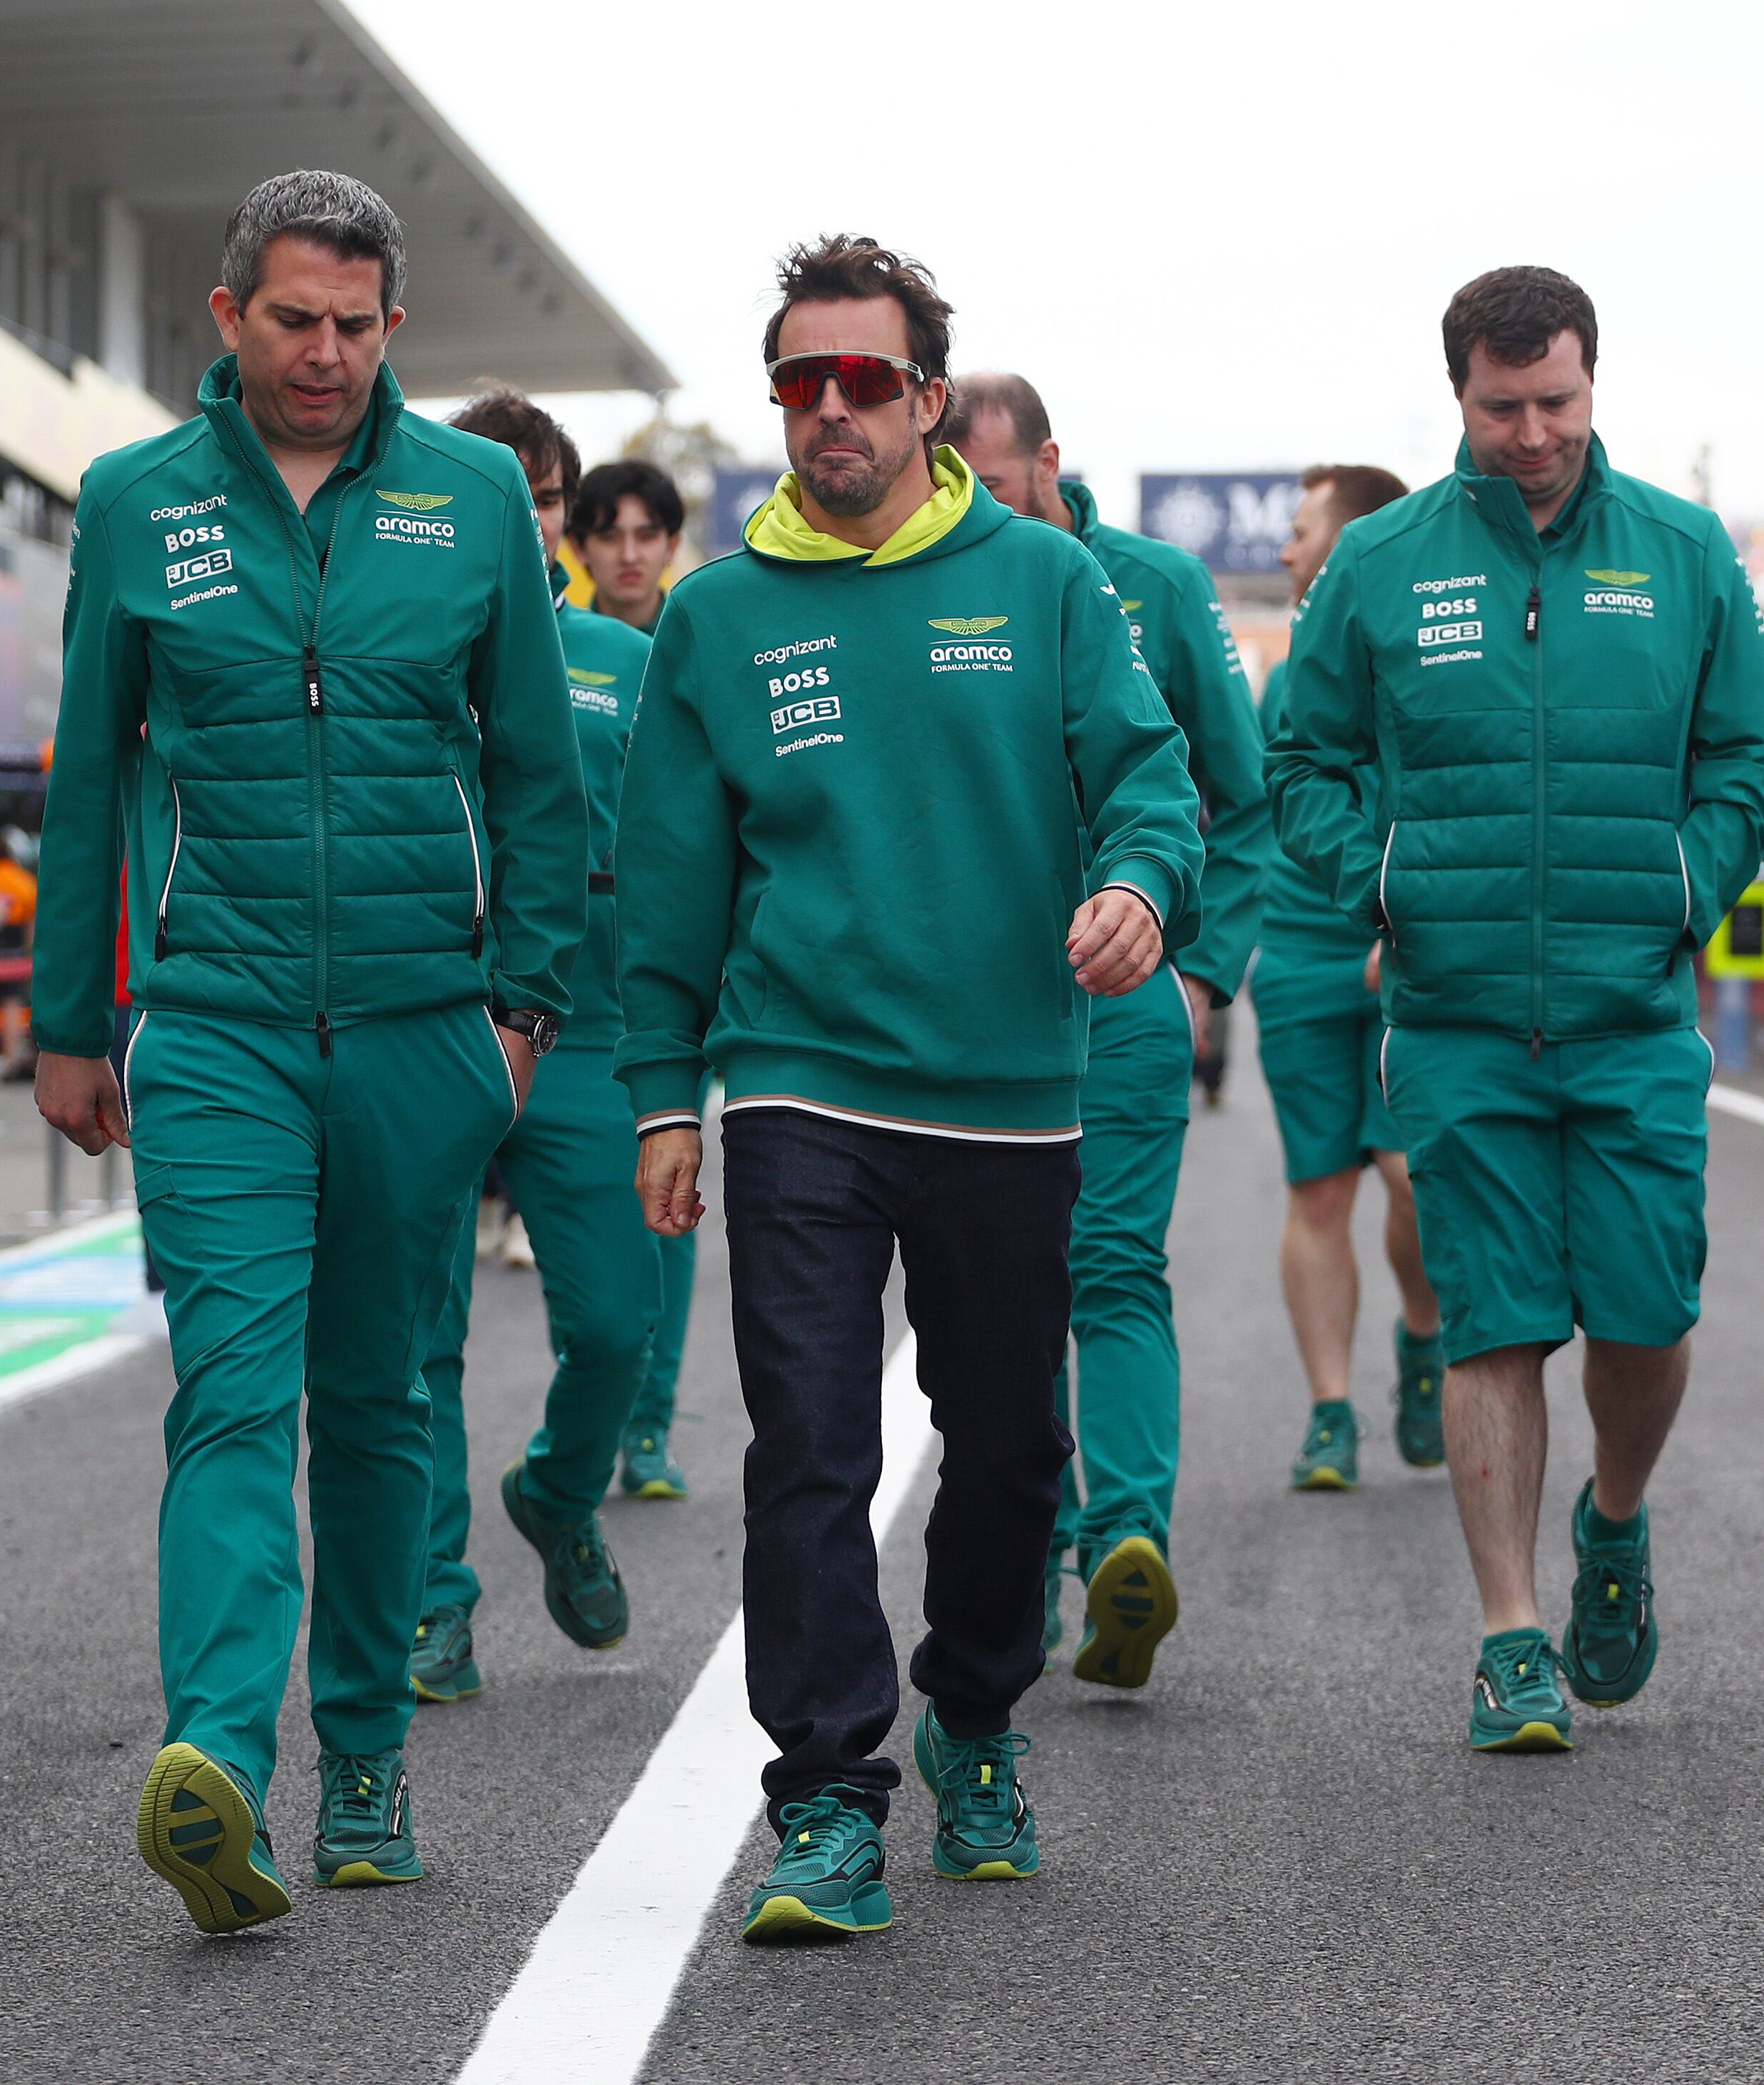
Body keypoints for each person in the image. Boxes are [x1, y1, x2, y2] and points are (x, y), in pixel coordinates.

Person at [618, 234, 1200, 1940]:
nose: (830, 411)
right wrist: (664, 1094)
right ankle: (822, 1799)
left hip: (1009, 1092)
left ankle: (975, 1714)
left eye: (865, 380)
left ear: (929, 399)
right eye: (801, 382)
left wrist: (1140, 889)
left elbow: (1151, 776)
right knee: (807, 1439)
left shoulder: (1041, 581)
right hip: (801, 1085)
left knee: (1011, 1448)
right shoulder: (719, 617)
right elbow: (669, 882)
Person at [28, 171, 583, 1934]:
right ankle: (210, 1752)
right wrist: (61, 1021)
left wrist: (521, 1005)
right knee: (232, 1391)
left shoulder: (475, 494)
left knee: (376, 1401)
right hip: (216, 1028)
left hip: (428, 1029)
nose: (325, 353)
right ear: (228, 318)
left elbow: (536, 770)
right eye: (294, 320)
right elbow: (88, 773)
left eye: (355, 324)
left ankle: (362, 1765)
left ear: (393, 331)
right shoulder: (135, 503)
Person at [1267, 266, 1764, 1753]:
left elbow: (1751, 755)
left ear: (1591, 383)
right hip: (1457, 1019)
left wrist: (1686, 885)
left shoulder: (1685, 554)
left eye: (1556, 400)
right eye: (1503, 407)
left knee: (1646, 1308)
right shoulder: (1378, 562)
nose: (1533, 433)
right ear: (1459, 399)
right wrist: (1387, 879)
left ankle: (1613, 1521)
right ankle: (1509, 1634)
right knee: (1492, 1320)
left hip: (1633, 1017)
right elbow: (1299, 761)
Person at [942, 372, 1267, 1691]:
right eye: (959, 488)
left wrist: (1200, 973)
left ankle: (1124, 1538)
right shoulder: (928, 583)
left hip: (1129, 991)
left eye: (1003, 486)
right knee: (1007, 1293)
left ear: (1052, 465)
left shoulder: (1159, 587)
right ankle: (1046, 1542)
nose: (984, 512)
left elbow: (1238, 795)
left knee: (1114, 1262)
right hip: (969, 1007)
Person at [403, 391, 661, 1706]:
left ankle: (558, 1493)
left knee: (618, 1324)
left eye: (543, 499)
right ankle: (432, 1602)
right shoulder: (399, 642)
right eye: (497, 488)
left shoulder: (624, 659)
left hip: (584, 1033)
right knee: (416, 1339)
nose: (523, 517)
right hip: (425, 1017)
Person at [1260, 462, 1449, 1491]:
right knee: (1317, 1188)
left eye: (1302, 532)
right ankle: (1329, 1412)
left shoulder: (1428, 649)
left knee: (1408, 1177)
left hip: (1405, 949)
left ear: (1357, 544)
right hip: (1295, 953)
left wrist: (1403, 913)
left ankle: (1422, 1337)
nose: (1286, 549)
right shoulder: (1288, 666)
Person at [564, 456, 699, 1497]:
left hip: (659, 971)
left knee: (675, 1182)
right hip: (546, 989)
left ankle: (647, 1423)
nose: (627, 552)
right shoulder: (539, 645)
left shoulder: (694, 641)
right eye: (606, 532)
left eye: (646, 533)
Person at [569, 457, 683, 636]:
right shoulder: (558, 650)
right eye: (609, 538)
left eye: (646, 537)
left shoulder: (702, 646)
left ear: (672, 545)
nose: (629, 556)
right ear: (578, 547)